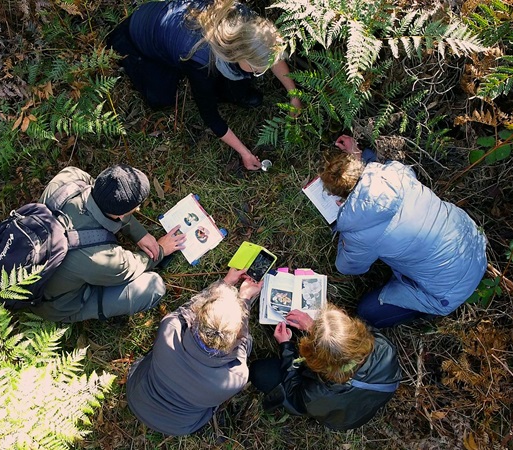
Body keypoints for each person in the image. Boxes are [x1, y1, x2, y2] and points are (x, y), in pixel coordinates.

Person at [107, 0, 302, 170]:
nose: (261, 72)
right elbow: (210, 115)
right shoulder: (201, 59)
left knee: (234, 84)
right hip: (137, 40)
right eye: (257, 69)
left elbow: (272, 55)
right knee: (160, 98)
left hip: (176, 29)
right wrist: (244, 152)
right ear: (237, 54)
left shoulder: (253, 27)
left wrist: (294, 95)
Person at [320, 135, 488, 328]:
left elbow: (347, 267)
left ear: (341, 198)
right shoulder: (396, 173)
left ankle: (425, 311)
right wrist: (358, 154)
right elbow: (373, 180)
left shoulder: (359, 233)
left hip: (448, 292)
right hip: (474, 241)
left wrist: (347, 227)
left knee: (367, 313)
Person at [29, 165, 186, 323]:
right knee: (153, 287)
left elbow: (104, 202)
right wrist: (160, 250)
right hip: (53, 306)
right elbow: (132, 266)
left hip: (28, 261)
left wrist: (139, 233)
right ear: (122, 214)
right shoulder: (99, 258)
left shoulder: (70, 177)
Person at [126, 268, 262, 435]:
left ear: (199, 314)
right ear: (237, 333)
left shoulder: (169, 329)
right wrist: (245, 299)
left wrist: (225, 283)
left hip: (137, 397)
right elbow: (243, 346)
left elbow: (188, 309)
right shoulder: (237, 376)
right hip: (179, 427)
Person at [250, 306, 401, 430]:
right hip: (365, 397)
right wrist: (316, 328)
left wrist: (286, 347)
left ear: (317, 361)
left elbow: (294, 396)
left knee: (260, 372)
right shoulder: (384, 348)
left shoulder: (318, 393)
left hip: (339, 411)